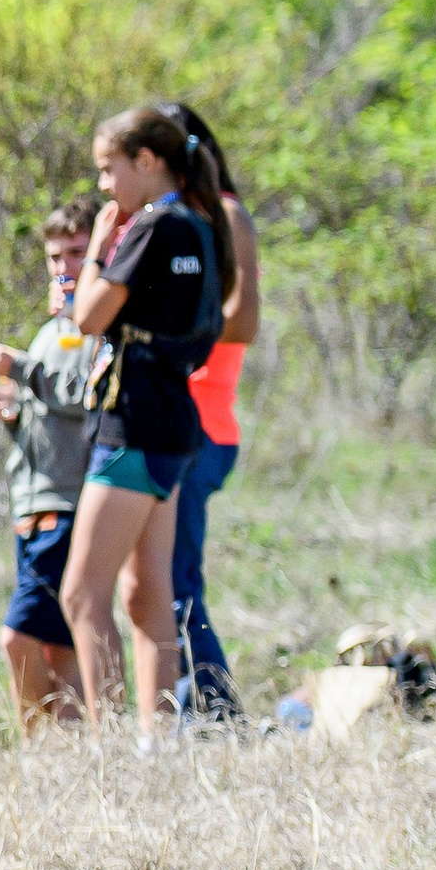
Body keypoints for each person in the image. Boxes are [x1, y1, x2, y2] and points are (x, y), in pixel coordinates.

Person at [57, 105, 231, 735]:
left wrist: (99, 249)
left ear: (147, 161)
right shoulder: (200, 225)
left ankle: (109, 740)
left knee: (82, 594)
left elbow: (88, 317)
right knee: (147, 592)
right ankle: (159, 743)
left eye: (110, 169)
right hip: (176, 422)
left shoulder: (153, 227)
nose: (104, 186)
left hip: (134, 425)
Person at [0, 194, 99, 734]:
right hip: (34, 501)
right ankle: (70, 755)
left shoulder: (99, 322)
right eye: (55, 256)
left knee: (16, 637)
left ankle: (38, 747)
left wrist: (18, 366)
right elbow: (49, 414)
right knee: (58, 647)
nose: (64, 267)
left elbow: (88, 395)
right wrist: (12, 412)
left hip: (68, 504)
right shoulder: (55, 327)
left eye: (76, 252)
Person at [159, 102, 258, 720]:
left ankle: (219, 714)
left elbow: (243, 322)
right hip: (160, 419)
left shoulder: (223, 214)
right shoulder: (162, 221)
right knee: (160, 581)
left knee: (177, 583)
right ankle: (179, 709)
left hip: (202, 424)